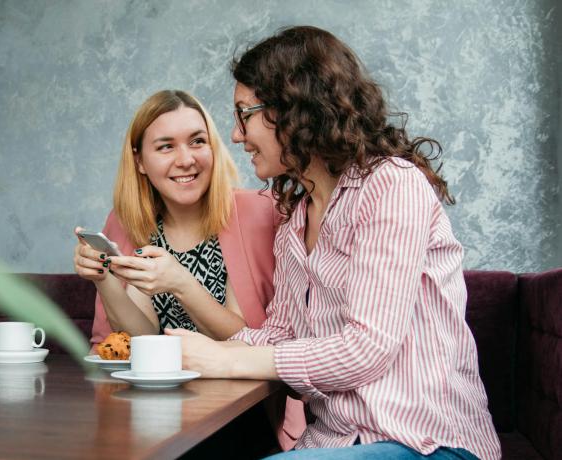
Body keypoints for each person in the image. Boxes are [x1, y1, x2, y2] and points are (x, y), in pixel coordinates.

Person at [166, 27, 501, 460]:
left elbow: (366, 348)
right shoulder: (295, 220)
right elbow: (281, 335)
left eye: (244, 114)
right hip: (335, 442)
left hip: (427, 442)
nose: (234, 135)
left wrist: (226, 360)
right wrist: (194, 353)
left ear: (294, 108)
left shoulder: (391, 186)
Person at [73, 89, 305, 449]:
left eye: (197, 141)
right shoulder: (126, 224)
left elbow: (249, 341)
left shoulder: (259, 212)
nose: (186, 160)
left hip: (243, 414)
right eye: (166, 147)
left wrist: (181, 283)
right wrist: (104, 280)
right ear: (140, 161)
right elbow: (141, 338)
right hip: (153, 411)